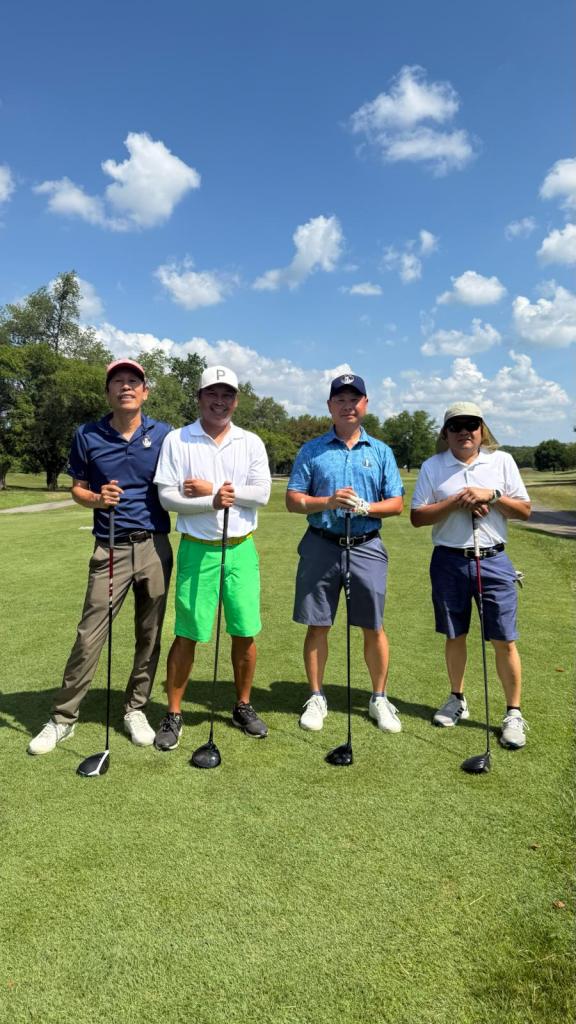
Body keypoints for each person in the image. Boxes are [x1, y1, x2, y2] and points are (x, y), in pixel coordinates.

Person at [28, 359, 173, 755]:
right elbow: (77, 488)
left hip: (155, 544)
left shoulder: (164, 434)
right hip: (110, 545)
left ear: (145, 391)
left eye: (133, 381)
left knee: (149, 633)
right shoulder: (87, 434)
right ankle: (63, 718)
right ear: (108, 392)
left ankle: (135, 709)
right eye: (118, 381)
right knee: (89, 633)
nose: (126, 386)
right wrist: (96, 497)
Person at [152, 365, 271, 751]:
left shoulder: (250, 441)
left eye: (227, 395)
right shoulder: (178, 439)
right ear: (200, 397)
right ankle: (174, 713)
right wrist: (212, 501)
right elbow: (167, 497)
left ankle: (243, 705)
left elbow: (262, 494)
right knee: (188, 632)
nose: (220, 402)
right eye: (212, 394)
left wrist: (213, 489)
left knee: (244, 630)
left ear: (235, 400)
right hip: (197, 548)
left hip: (241, 547)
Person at [286, 373, 404, 733]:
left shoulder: (381, 451)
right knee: (318, 624)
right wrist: (328, 502)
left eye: (354, 399)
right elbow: (293, 499)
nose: (347, 406)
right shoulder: (312, 450)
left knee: (373, 626)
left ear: (365, 404)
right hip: (321, 544)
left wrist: (366, 507)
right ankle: (316, 696)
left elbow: (396, 503)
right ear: (329, 406)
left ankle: (379, 697)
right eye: (340, 400)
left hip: (366, 546)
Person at [410, 401, 531, 749]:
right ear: (446, 433)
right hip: (449, 560)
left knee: (504, 639)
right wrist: (457, 501)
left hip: (493, 559)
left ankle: (513, 713)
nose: (464, 432)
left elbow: (524, 510)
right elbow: (418, 516)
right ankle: (457, 698)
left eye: (471, 425)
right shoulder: (433, 466)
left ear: (481, 430)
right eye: (456, 426)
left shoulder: (501, 461)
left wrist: (491, 496)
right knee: (455, 634)